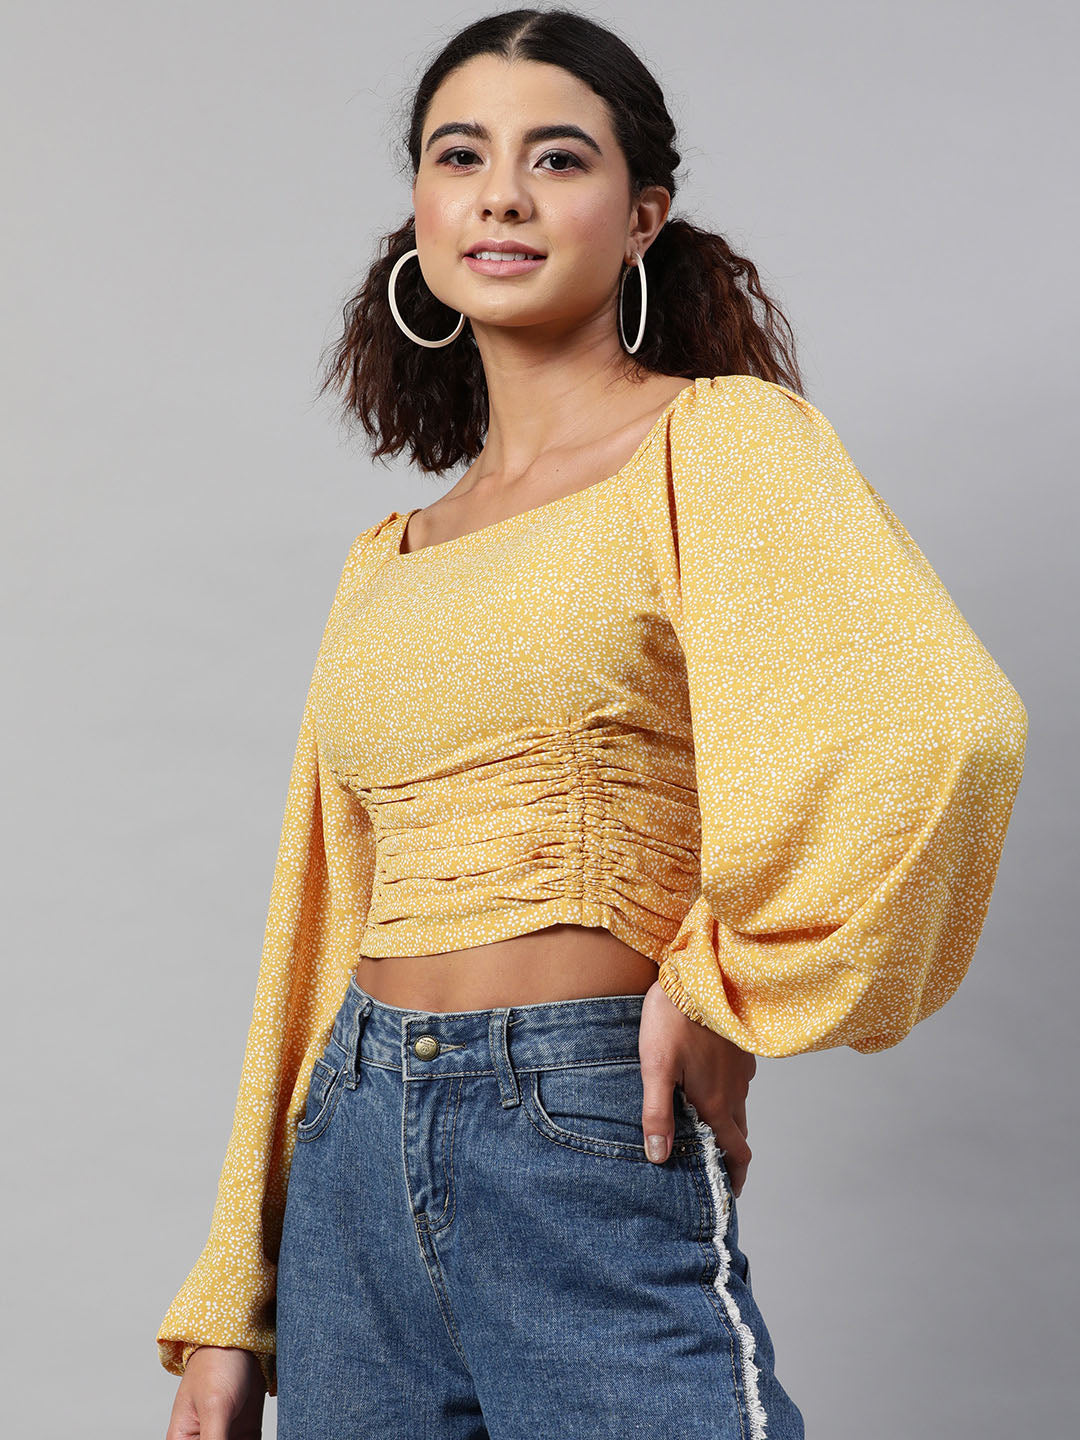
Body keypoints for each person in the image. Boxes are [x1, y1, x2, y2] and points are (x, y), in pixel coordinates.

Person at [158, 9, 1028, 1439]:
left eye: (556, 159)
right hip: (351, 1155)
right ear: (421, 209)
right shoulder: (390, 557)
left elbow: (944, 727)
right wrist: (231, 1299)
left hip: (573, 1119)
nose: (501, 194)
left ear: (641, 218)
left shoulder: (717, 445)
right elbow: (315, 920)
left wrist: (728, 983)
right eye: (461, 156)